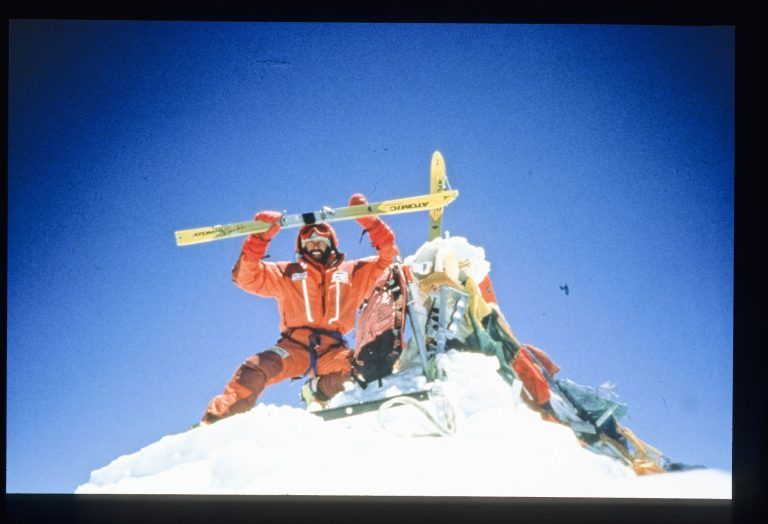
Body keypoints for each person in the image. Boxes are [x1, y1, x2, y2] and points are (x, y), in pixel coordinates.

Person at [201, 193, 399, 424]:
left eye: (321, 243)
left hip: (333, 350)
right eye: (309, 243)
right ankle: (218, 420)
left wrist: (370, 222)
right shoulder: (288, 273)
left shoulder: (352, 273)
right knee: (256, 367)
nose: (315, 246)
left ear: (332, 245)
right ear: (301, 248)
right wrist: (259, 239)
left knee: (366, 365)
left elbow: (388, 259)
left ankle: (318, 391)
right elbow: (247, 277)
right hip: (294, 347)